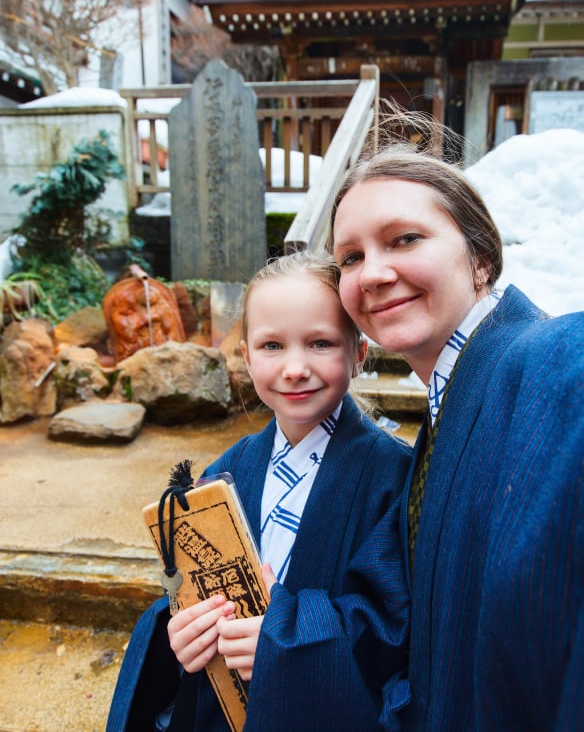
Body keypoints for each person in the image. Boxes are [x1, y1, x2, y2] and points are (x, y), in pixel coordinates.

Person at [250, 122, 584, 730]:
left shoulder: (545, 359)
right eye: (351, 256)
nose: (373, 273)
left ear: (481, 258)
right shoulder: (444, 415)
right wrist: (275, 629)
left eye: (405, 239)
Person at [106, 250, 412, 732]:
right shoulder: (226, 470)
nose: (295, 368)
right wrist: (182, 629)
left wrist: (288, 637)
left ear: (358, 353)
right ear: (247, 357)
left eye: (320, 343)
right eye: (272, 345)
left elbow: (396, 625)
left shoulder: (392, 476)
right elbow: (186, 589)